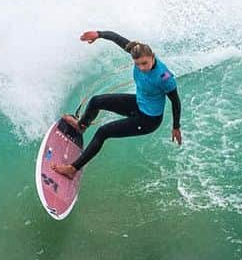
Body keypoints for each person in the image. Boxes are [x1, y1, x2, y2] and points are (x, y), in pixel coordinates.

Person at [51, 30, 182, 178]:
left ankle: (72, 169)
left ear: (153, 57)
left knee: (103, 132)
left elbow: (175, 101)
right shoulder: (137, 51)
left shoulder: (164, 77)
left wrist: (176, 126)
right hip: (139, 104)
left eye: (145, 63)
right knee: (96, 101)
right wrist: (98, 34)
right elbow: (116, 38)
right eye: (137, 64)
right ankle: (80, 127)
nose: (142, 68)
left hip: (148, 120)